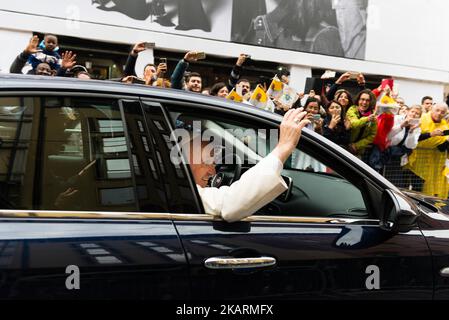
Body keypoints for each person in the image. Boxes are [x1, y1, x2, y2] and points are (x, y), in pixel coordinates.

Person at [189, 108, 310, 222]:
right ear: (180, 166)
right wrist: (283, 148)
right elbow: (227, 205)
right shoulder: (182, 193)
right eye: (206, 162)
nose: (212, 171)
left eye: (214, 162)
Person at [406, 103, 449, 198]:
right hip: (417, 162)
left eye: (442, 112)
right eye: (437, 110)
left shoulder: (444, 125)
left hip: (435, 164)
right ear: (432, 109)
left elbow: (441, 145)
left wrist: (438, 140)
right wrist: (434, 137)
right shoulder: (422, 119)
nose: (439, 114)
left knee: (431, 190)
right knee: (415, 190)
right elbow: (418, 139)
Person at [383, 105, 422, 188]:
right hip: (385, 152)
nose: (414, 114)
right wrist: (401, 126)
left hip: (398, 157)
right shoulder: (397, 118)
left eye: (417, 113)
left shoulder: (417, 127)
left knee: (394, 184)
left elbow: (411, 146)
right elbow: (387, 135)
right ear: (408, 111)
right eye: (412, 111)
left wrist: (411, 131)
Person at [10, 36, 77, 77]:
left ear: (51, 73)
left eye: (47, 70)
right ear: (35, 70)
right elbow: (14, 72)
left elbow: (58, 78)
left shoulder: (52, 83)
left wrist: (63, 68)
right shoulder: (28, 80)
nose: (44, 72)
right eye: (41, 69)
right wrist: (25, 53)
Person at [346, 89, 378, 159]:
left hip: (358, 151)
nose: (364, 102)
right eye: (362, 99)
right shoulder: (352, 109)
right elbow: (354, 124)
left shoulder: (373, 116)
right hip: (345, 146)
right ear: (358, 100)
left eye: (367, 100)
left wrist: (356, 146)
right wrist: (367, 119)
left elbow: (372, 136)